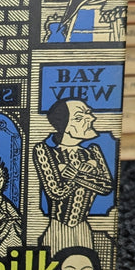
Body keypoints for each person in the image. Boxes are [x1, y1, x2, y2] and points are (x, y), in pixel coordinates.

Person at [32, 99, 113, 253]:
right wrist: (87, 173)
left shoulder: (93, 151)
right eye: (80, 117)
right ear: (66, 126)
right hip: (58, 229)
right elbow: (56, 191)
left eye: (88, 113)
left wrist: (75, 175)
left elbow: (107, 187)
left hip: (83, 230)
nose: (91, 118)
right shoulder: (45, 152)